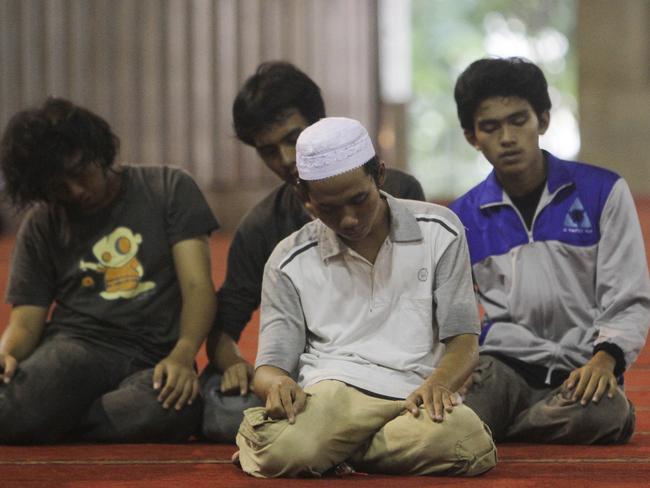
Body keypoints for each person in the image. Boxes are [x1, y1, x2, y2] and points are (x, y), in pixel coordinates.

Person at [234, 117, 496, 478]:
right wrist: (278, 384)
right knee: (292, 446)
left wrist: (438, 384)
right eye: (329, 208)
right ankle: (316, 448)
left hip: (415, 394)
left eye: (359, 200)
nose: (350, 220)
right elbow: (270, 367)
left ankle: (326, 453)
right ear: (304, 199)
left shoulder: (440, 230)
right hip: (333, 394)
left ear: (380, 176)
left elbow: (465, 341)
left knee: (470, 445)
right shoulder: (288, 259)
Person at [201, 61, 426, 442]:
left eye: (293, 138)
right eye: (269, 150)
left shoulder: (399, 194)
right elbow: (224, 326)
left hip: (393, 365)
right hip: (301, 378)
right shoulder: (261, 226)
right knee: (219, 412)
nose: (287, 159)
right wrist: (233, 363)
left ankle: (332, 432)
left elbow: (428, 303)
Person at [449, 57, 650, 444]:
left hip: (583, 364)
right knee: (458, 416)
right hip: (503, 366)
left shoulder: (602, 192)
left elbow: (628, 297)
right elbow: (447, 313)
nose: (507, 137)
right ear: (473, 137)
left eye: (518, 120)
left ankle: (502, 427)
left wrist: (607, 358)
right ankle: (510, 420)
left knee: (607, 413)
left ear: (542, 120)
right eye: (490, 127)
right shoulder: (462, 217)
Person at [0, 98, 219, 443]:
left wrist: (183, 353)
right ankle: (58, 417)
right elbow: (25, 321)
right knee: (7, 411)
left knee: (179, 408)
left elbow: (198, 287)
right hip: (75, 348)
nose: (76, 191)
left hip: (155, 356)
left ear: (97, 150)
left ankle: (55, 421)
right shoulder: (43, 223)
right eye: (58, 188)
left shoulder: (168, 188)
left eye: (79, 172)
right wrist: (5, 356)